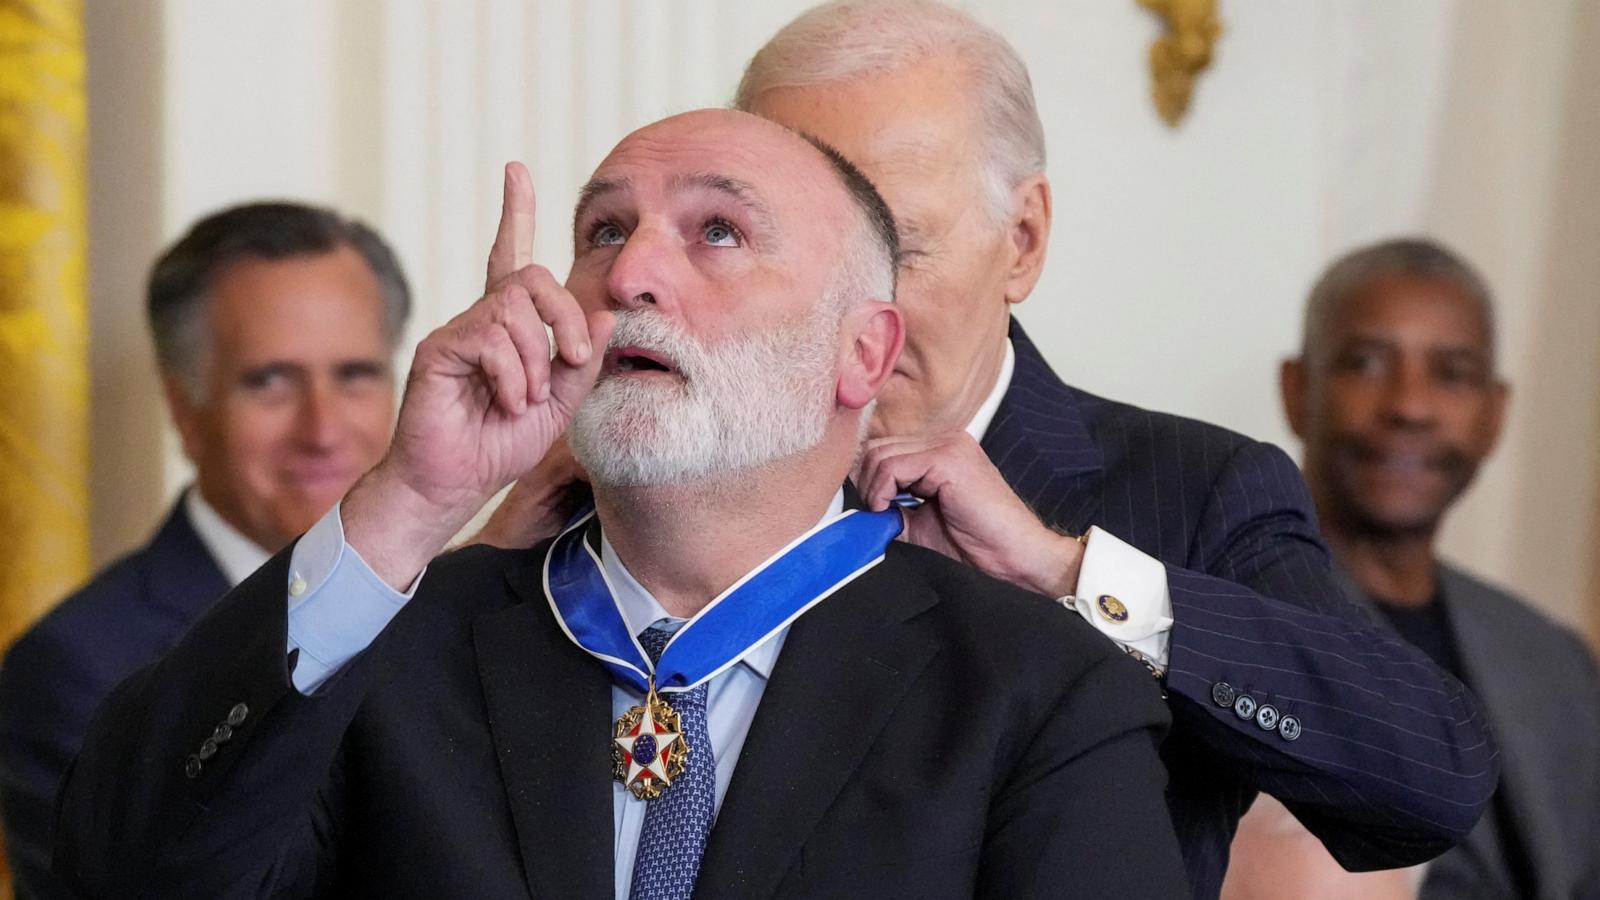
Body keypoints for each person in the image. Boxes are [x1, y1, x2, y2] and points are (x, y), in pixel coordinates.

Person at [475, 3, 1499, 897]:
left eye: (897, 250)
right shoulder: (640, 467)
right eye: (781, 242)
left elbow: (1426, 778)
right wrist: (481, 566)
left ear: (1022, 241)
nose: (847, 308)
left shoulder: (1186, 490)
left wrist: (1067, 571)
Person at [52, 110, 1189, 899]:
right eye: (604, 231)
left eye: (717, 232)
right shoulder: (397, 642)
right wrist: (412, 498)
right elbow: (126, 875)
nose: (632, 275)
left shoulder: (1037, 694)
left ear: (862, 351)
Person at [0, 202, 410, 898]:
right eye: (270, 380)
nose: (323, 429)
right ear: (185, 411)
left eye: (355, 375)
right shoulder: (74, 667)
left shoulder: (463, 605)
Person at [1265, 237, 1600, 900]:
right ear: (1297, 390)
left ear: (1495, 414)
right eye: (1364, 363)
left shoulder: (1554, 658)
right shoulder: (1230, 630)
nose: (1410, 407)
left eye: (1451, 373)